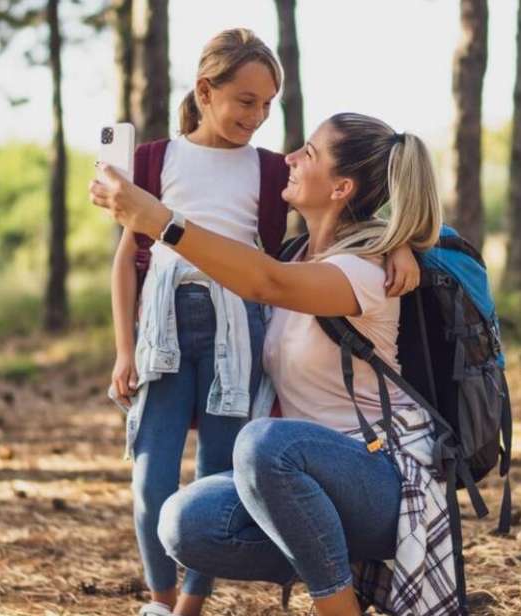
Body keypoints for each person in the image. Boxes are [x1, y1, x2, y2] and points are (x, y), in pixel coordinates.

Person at [92, 112, 460, 616]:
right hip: (306, 489)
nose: (289, 157)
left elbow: (265, 283)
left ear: (341, 187)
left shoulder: (363, 271)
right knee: (184, 521)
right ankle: (344, 573)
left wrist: (158, 219)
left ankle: (339, 609)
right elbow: (258, 272)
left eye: (308, 153)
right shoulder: (298, 255)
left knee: (264, 444)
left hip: (384, 483)